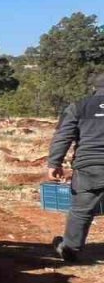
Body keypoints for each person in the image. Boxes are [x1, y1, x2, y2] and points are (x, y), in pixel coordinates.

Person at [47, 72, 104, 263]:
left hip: (90, 166)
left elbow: (63, 136)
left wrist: (54, 163)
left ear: (94, 88)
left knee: (81, 210)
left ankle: (71, 248)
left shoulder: (79, 107)